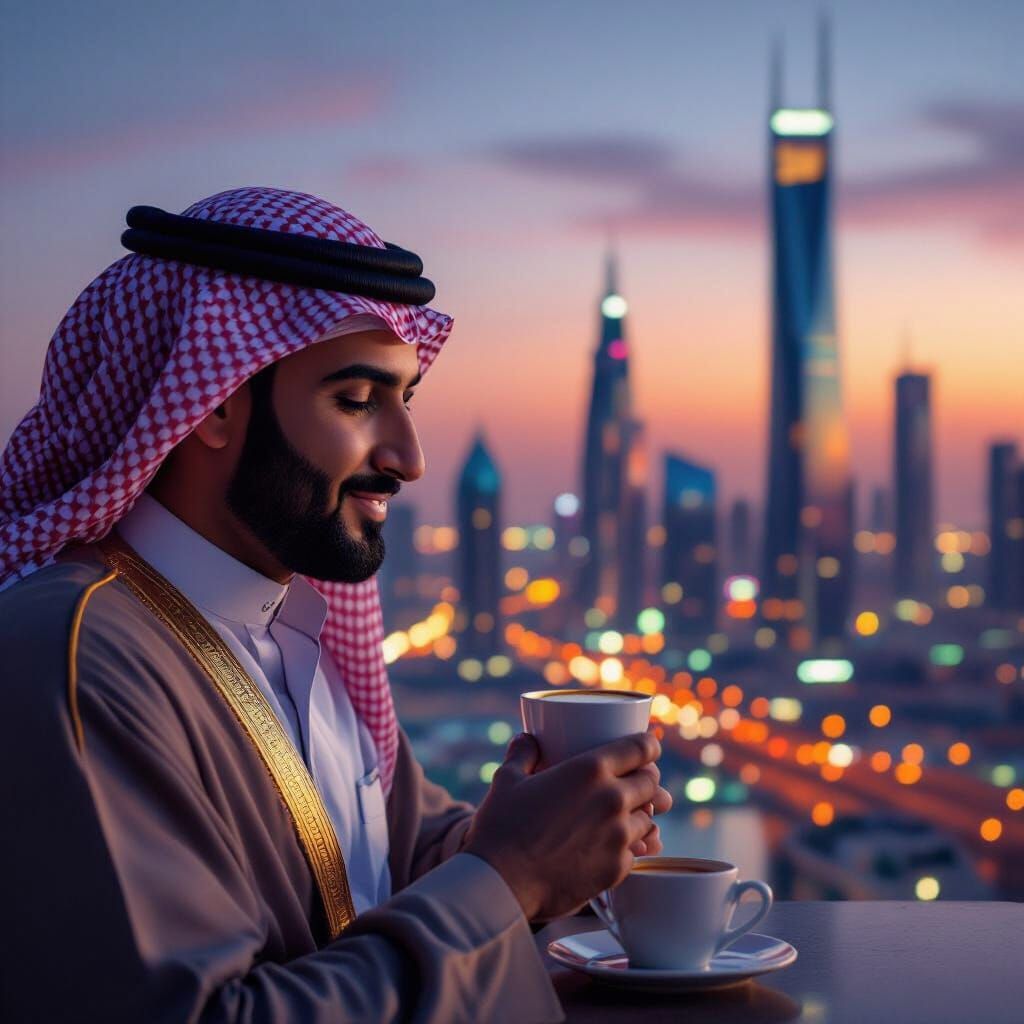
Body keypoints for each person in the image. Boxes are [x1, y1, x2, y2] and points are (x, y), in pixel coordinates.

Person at [0, 187, 670, 1023]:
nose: (409, 458)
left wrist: (553, 836)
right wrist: (511, 875)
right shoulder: (75, 655)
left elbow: (394, 873)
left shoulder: (302, 631)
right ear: (213, 403)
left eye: (406, 401)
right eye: (357, 401)